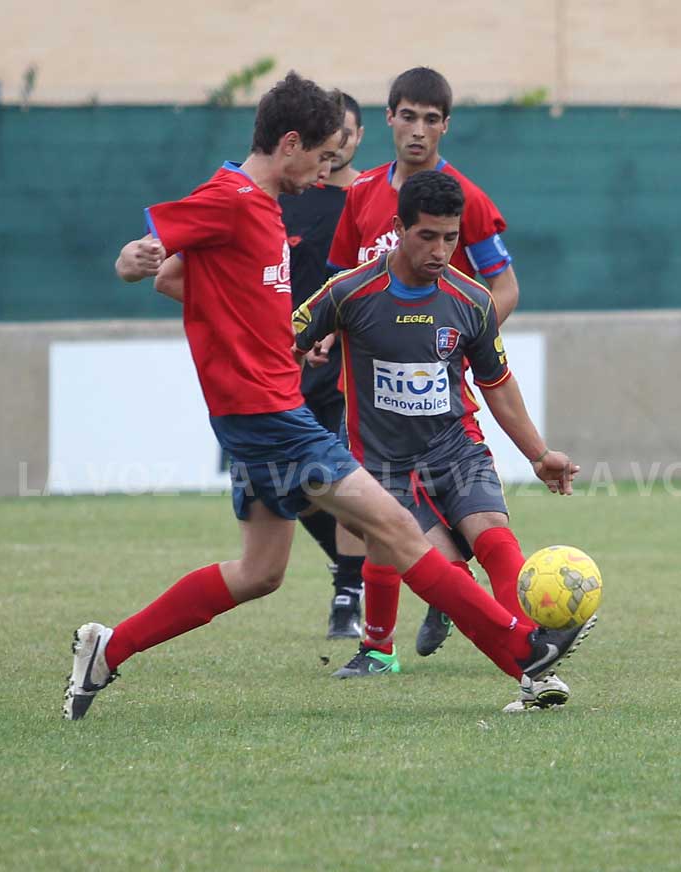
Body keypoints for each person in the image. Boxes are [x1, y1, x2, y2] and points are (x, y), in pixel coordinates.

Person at [64, 71, 593, 722]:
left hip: (259, 412)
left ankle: (108, 648)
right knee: (396, 528)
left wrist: (269, 337)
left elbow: (192, 282)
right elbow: (152, 263)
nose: (326, 172)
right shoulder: (231, 197)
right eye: (322, 156)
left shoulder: (265, 206)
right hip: (269, 416)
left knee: (259, 573)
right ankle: (525, 654)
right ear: (290, 144)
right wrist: (132, 257)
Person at [294, 169, 595, 709]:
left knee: (495, 538)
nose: (439, 250)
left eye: (450, 238)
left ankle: (534, 661)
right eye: (427, 236)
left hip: (456, 447)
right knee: (446, 575)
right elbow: (281, 341)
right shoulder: (349, 292)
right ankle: (522, 660)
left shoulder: (472, 300)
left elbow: (497, 383)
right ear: (398, 228)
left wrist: (539, 454)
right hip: (383, 465)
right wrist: (288, 390)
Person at [327, 66, 521, 657]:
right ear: (388, 118)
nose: (417, 130)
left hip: (437, 395)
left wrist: (454, 342)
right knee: (381, 522)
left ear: (445, 126)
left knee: (449, 515)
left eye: (430, 120)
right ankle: (400, 634)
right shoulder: (361, 193)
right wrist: (324, 336)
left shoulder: (467, 198)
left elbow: (503, 288)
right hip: (370, 397)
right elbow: (340, 284)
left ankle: (501, 632)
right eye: (407, 116)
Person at [279, 94, 367, 640]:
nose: (337, 146)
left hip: (348, 366)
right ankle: (348, 568)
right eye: (329, 137)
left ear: (359, 136)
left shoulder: (367, 197)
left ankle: (349, 594)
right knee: (290, 484)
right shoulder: (286, 196)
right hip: (286, 364)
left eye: (347, 134)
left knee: (346, 478)